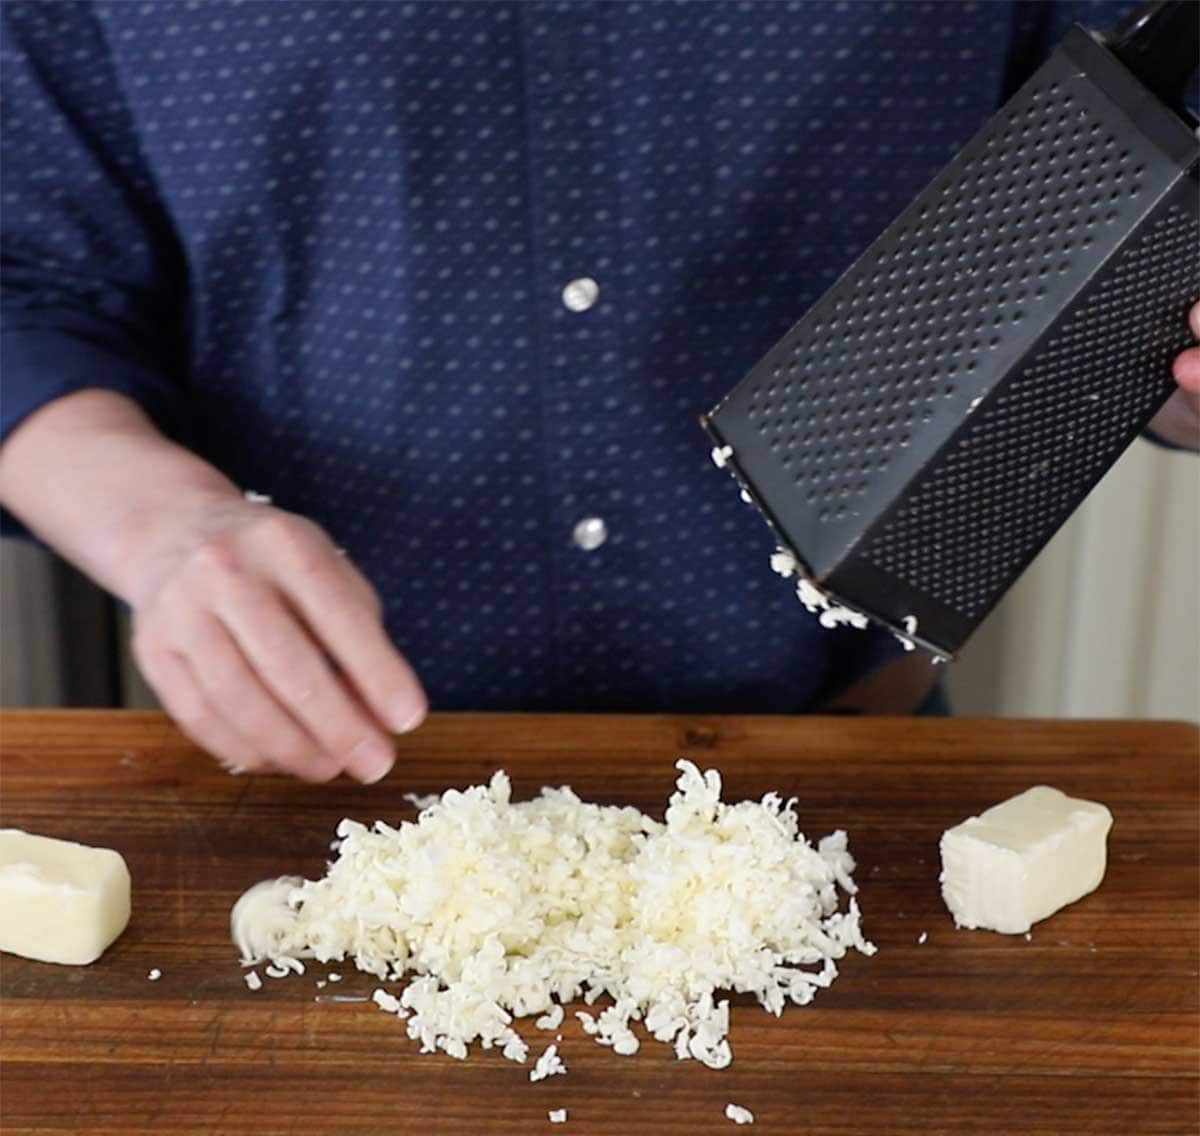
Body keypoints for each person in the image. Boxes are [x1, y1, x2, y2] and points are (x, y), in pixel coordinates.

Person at [1, 0, 1196, 785]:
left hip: (843, 770)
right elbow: (25, 282)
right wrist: (166, 531)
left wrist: (1176, 348)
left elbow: (1134, 179)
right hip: (297, 780)